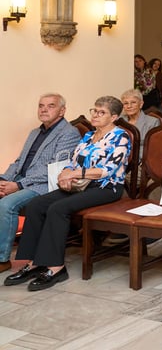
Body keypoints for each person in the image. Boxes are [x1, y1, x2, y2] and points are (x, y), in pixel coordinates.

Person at [5, 96, 131, 291]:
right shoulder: (89, 136)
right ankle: (33, 262)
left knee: (58, 208)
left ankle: (56, 267)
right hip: (81, 184)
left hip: (106, 187)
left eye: (101, 112)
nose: (95, 115)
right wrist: (65, 174)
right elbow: (72, 161)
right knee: (36, 205)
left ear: (113, 117)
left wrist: (76, 173)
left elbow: (107, 170)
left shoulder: (120, 136)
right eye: (94, 110)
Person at [0, 94, 80, 273]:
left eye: (50, 106)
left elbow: (54, 169)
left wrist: (18, 185)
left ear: (62, 111)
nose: (44, 109)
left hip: (42, 185)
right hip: (20, 179)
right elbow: (19, 161)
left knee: (6, 204)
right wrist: (5, 180)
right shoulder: (35, 132)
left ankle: (2, 259)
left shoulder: (69, 133)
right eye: (41, 105)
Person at [120, 89, 160, 158]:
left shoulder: (153, 122)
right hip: (119, 159)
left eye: (133, 102)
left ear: (141, 104)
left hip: (141, 161)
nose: (129, 106)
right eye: (126, 103)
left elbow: (153, 148)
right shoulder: (119, 121)